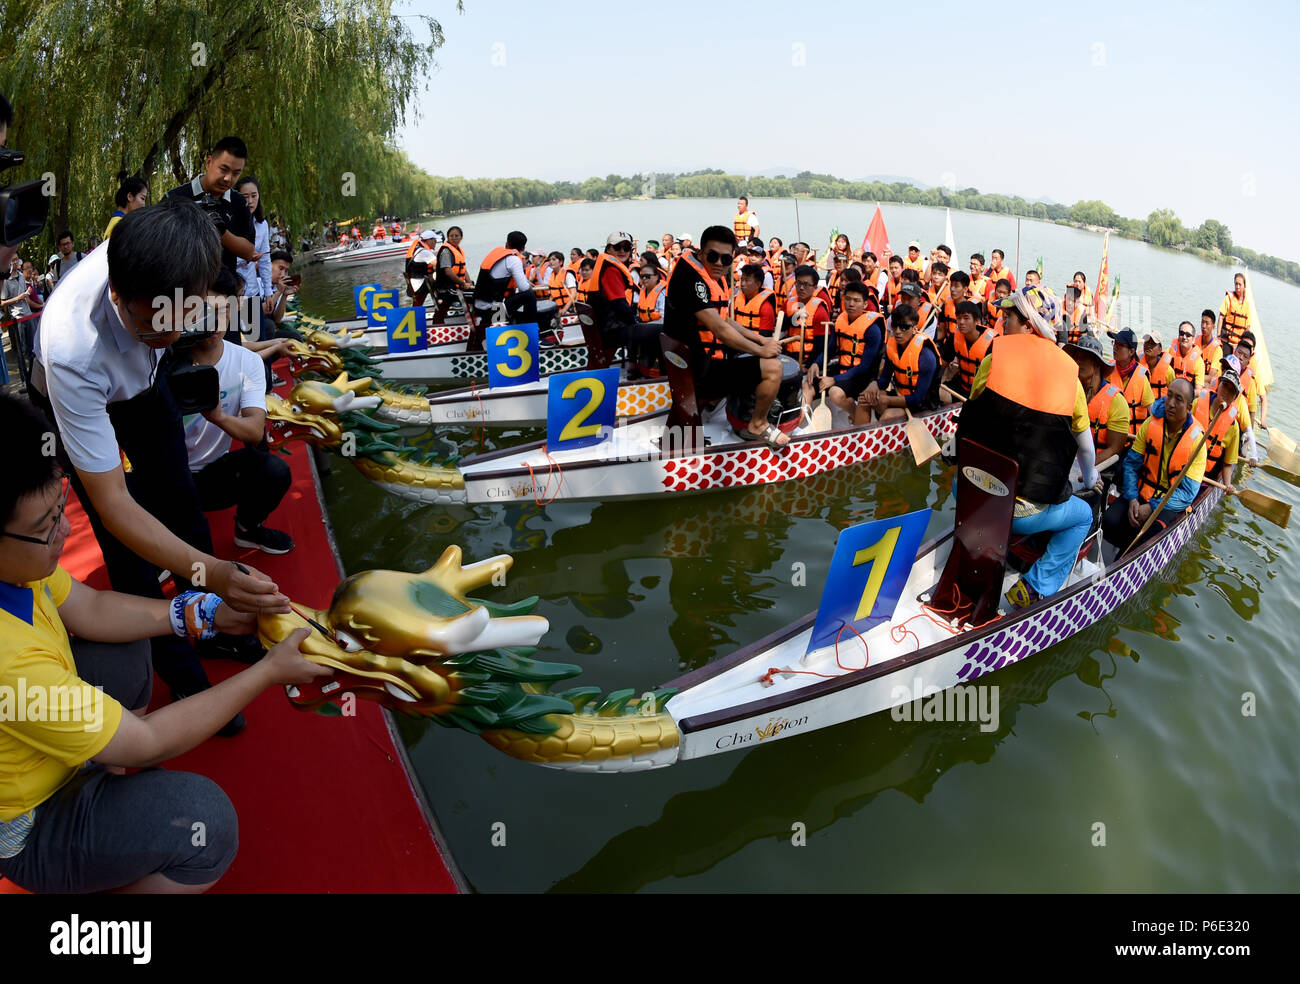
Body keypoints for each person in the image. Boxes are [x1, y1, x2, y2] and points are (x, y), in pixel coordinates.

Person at [0, 393, 331, 894]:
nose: (65, 530)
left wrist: (203, 613)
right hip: (31, 825)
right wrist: (266, 672)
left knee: (131, 646)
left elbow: (90, 609)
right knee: (205, 823)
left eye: (59, 507)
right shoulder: (9, 660)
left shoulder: (18, 567)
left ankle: (99, 772)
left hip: (46, 746)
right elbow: (147, 740)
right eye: (45, 528)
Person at [28, 200, 289, 732]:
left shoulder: (165, 253)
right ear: (118, 294)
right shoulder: (72, 349)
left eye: (184, 318)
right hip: (85, 393)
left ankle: (211, 624)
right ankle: (183, 673)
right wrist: (215, 572)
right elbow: (116, 505)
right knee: (127, 552)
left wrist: (207, 571)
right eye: (152, 326)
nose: (174, 337)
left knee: (183, 509)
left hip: (146, 388)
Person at [956, 285, 1101, 607]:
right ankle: (1035, 587)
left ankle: (979, 556)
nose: (1002, 322)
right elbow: (1087, 451)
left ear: (1029, 323)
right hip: (1021, 510)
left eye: (1008, 316)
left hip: (969, 492)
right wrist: (1091, 481)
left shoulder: (993, 358)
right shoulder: (1072, 379)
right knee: (1082, 516)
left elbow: (973, 415)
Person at [182, 288, 294, 553]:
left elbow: (255, 431)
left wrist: (218, 417)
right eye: (203, 313)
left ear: (231, 312)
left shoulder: (247, 361)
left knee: (275, 471)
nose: (212, 323)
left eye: (221, 312)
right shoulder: (166, 360)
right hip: (167, 476)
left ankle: (247, 529)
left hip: (212, 473)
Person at [663, 225, 789, 449]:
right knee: (773, 368)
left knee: (748, 357)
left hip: (686, 363)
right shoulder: (693, 278)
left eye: (725, 259)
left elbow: (725, 320)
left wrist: (760, 339)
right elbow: (720, 330)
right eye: (713, 256)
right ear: (701, 253)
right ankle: (758, 424)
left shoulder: (708, 272)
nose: (719, 263)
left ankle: (677, 435)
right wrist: (762, 351)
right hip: (698, 371)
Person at [1102, 377, 1204, 552]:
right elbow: (1131, 465)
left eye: (1178, 399)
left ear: (1189, 408)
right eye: (1169, 395)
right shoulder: (1151, 423)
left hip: (1168, 503)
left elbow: (1187, 494)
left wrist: (1152, 507)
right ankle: (1123, 551)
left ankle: (1130, 555)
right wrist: (1133, 498)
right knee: (1109, 521)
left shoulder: (1197, 441)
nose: (1170, 403)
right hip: (1141, 493)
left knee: (1152, 534)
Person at [165, 135, 259, 278]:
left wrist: (219, 230)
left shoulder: (239, 202)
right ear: (209, 162)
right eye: (223, 169)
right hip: (181, 293)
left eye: (236, 173)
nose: (228, 178)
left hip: (226, 294)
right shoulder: (173, 198)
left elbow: (248, 252)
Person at [808, 281, 884, 423]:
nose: (851, 304)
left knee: (835, 392)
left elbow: (865, 366)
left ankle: (854, 413)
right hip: (842, 369)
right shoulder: (840, 320)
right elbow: (830, 349)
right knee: (808, 383)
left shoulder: (873, 329)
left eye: (856, 301)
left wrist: (834, 380)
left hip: (861, 376)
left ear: (865, 304)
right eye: (848, 299)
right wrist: (816, 363)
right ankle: (801, 425)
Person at [860, 302, 940, 423]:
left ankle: (881, 435)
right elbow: (884, 380)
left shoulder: (926, 356)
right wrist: (873, 384)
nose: (897, 331)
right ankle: (859, 438)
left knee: (888, 415)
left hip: (922, 404)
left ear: (914, 329)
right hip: (900, 395)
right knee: (864, 400)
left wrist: (886, 400)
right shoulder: (892, 346)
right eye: (895, 325)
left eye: (904, 327)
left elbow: (918, 398)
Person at [1066, 334, 1129, 469]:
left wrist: (1083, 470)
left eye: (1084, 357)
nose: (1078, 361)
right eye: (1076, 356)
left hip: (1098, 470)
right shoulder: (1068, 389)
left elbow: (1114, 449)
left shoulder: (1117, 402)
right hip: (1065, 462)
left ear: (1097, 364)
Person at [472, 230, 537, 340]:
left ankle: (508, 331)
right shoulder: (514, 259)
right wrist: (528, 285)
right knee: (529, 296)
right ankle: (532, 336)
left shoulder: (496, 253)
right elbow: (523, 288)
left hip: (479, 304)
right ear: (523, 248)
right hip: (493, 308)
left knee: (515, 298)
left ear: (506, 244)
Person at [1192, 367, 1245, 490]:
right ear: (1218, 385)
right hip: (1182, 464)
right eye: (1225, 385)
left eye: (1231, 391)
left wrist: (1227, 485)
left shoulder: (1233, 427)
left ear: (1234, 398)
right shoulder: (1197, 404)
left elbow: (1227, 463)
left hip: (1204, 476)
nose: (1226, 391)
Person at [783, 265, 834, 371]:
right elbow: (782, 327)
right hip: (788, 358)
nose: (801, 288)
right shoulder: (789, 302)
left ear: (815, 287)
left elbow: (821, 345)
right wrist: (795, 316)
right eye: (799, 283)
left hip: (807, 361)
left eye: (806, 285)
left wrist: (808, 365)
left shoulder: (819, 310)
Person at [944, 299, 996, 399]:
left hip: (982, 394)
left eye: (966, 318)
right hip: (961, 387)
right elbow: (943, 364)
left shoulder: (992, 343)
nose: (961, 322)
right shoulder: (954, 338)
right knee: (940, 393)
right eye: (958, 318)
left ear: (977, 321)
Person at [1106, 328, 1153, 435]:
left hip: (1131, 437)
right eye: (1114, 343)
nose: (1115, 348)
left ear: (1131, 351)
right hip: (1110, 432)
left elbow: (1152, 411)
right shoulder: (1108, 369)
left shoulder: (1141, 377)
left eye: (1120, 345)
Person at [732, 263, 777, 338]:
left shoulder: (766, 307)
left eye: (747, 280)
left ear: (758, 284)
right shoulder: (735, 300)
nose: (742, 284)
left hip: (754, 346)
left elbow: (765, 337)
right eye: (742, 280)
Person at [262, 249, 299, 327]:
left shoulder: (277, 287)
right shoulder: (256, 283)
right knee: (269, 325)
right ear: (268, 265)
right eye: (281, 268)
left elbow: (277, 319)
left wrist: (284, 295)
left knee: (295, 336)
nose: (283, 274)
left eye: (285, 271)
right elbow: (258, 313)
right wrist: (278, 292)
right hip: (253, 331)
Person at [403, 229, 439, 306]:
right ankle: (444, 300)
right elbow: (438, 266)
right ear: (429, 240)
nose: (435, 243)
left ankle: (440, 300)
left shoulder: (418, 249)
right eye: (435, 240)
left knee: (417, 306)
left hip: (415, 284)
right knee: (443, 273)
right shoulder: (424, 252)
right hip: (420, 285)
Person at [1141, 329, 1176, 403]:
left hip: (1160, 408)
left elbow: (1174, 393)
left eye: (1152, 343)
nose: (1148, 345)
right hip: (1142, 409)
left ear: (1160, 350)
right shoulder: (1137, 366)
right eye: (1146, 342)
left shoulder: (1168, 371)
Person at [1218, 272, 1251, 347]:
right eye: (1236, 284)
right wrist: (1218, 335)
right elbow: (1221, 317)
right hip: (1225, 341)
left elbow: (1247, 327)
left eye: (1240, 284)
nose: (1237, 286)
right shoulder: (1228, 298)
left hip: (1237, 345)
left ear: (1244, 286)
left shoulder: (1247, 305)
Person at [1169, 320, 1205, 389]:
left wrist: (1184, 395)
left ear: (1193, 340)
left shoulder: (1198, 361)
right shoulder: (1169, 353)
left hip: (1188, 396)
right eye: (1181, 333)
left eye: (1188, 335)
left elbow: (1198, 390)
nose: (1184, 337)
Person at [1198, 308, 1224, 389]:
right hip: (1195, 379)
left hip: (1206, 384)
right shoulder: (1195, 341)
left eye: (1207, 323)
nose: (1203, 326)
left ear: (1213, 327)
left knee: (1206, 385)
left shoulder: (1217, 349)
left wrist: (1194, 377)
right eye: (1202, 322)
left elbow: (1211, 377)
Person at [1064, 271, 1092, 342]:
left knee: (1091, 335)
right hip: (1070, 318)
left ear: (1084, 283)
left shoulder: (1088, 295)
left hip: (1085, 320)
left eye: (1079, 281)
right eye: (1075, 281)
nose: (1077, 283)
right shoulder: (1069, 292)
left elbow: (1091, 312)